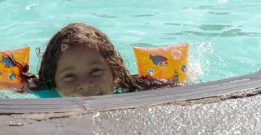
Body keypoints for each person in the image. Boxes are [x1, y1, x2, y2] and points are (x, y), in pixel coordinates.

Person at [26, 23, 176, 97]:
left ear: (115, 74)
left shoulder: (133, 88)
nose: (85, 84)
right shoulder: (39, 89)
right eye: (70, 76)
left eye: (95, 71)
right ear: (53, 83)